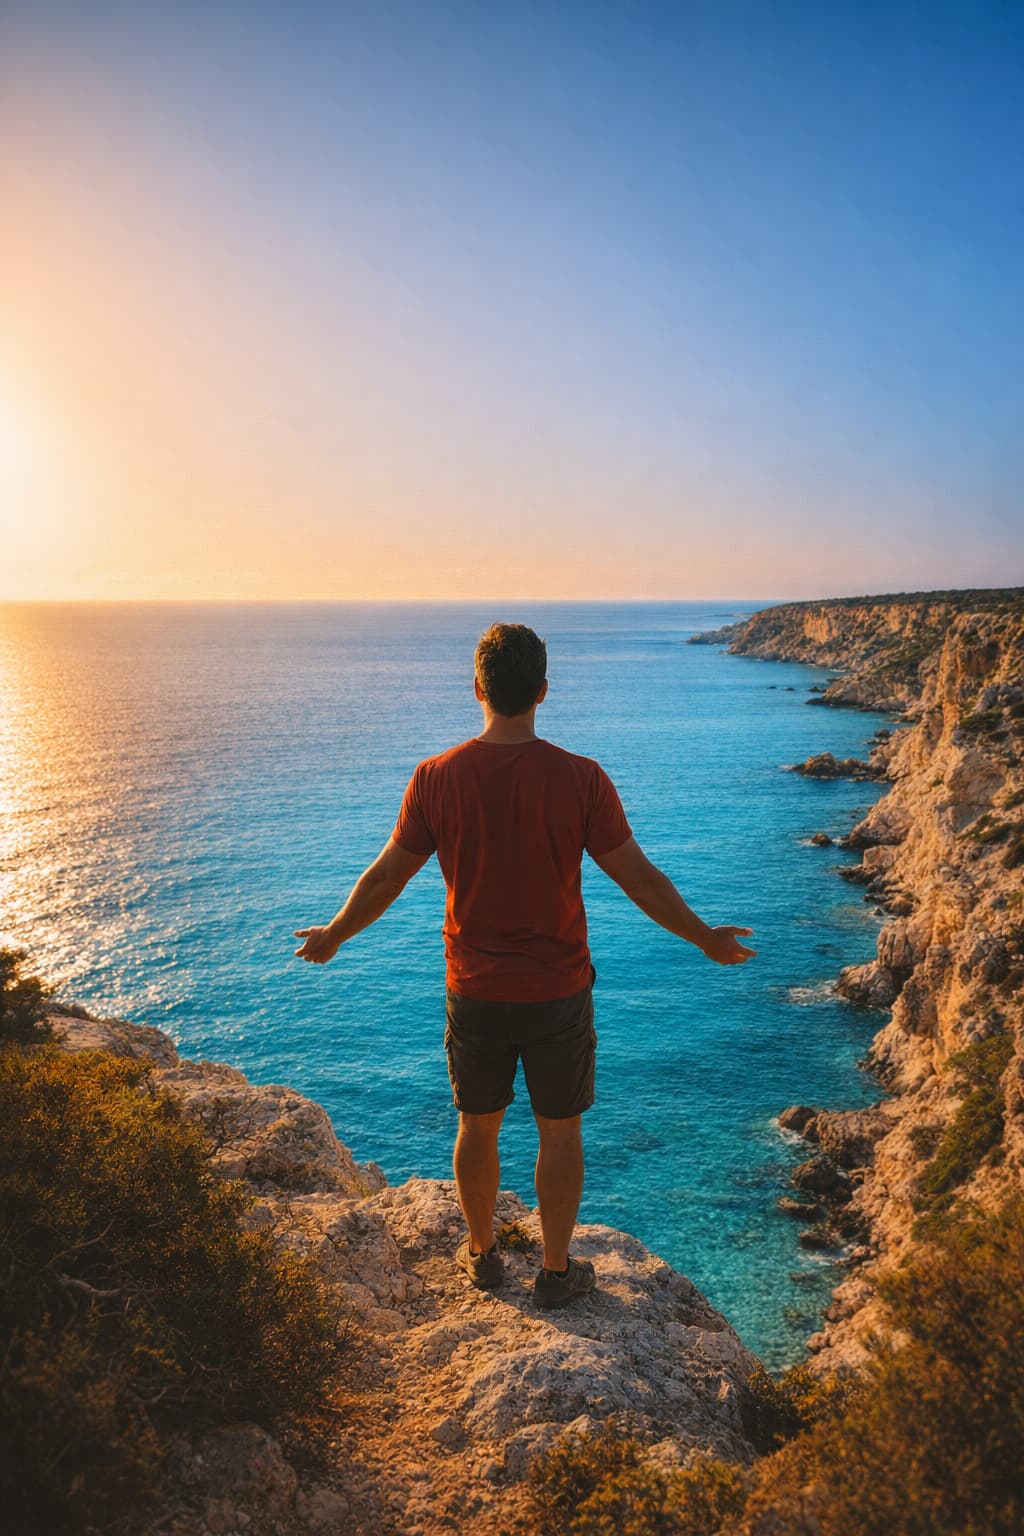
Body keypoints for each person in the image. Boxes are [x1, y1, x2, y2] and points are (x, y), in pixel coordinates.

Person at [294, 622, 755, 1308]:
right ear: (542, 691)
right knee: (559, 1131)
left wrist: (335, 933)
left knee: (477, 1125)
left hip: (474, 989)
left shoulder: (435, 778)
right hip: (558, 991)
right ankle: (556, 1271)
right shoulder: (582, 779)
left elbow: (388, 875)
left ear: (477, 688)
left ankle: (481, 1257)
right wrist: (705, 939)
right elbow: (640, 880)